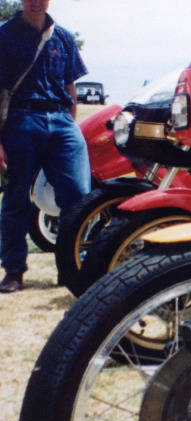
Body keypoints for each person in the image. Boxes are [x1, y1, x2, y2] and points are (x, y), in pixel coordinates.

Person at [0, 0, 90, 293]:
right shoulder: (5, 35)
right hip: (21, 120)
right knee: (17, 197)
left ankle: (70, 268)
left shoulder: (63, 37)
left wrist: (70, 123)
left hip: (62, 120)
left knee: (78, 196)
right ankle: (14, 271)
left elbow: (70, 85)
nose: (36, 2)